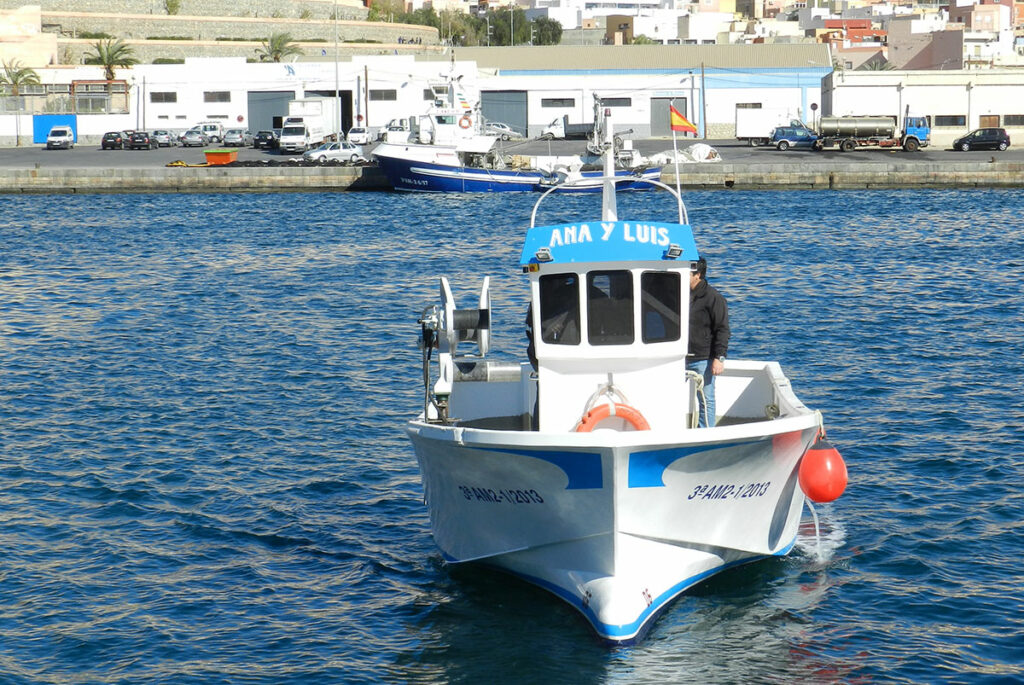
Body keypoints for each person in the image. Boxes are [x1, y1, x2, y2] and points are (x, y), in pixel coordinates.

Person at [688, 257, 730, 427]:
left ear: (697, 275)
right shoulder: (678, 294)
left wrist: (719, 357)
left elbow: (722, 329)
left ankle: (706, 432)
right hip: (680, 356)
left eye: (687, 273)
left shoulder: (714, 298)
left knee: (706, 399)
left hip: (702, 358)